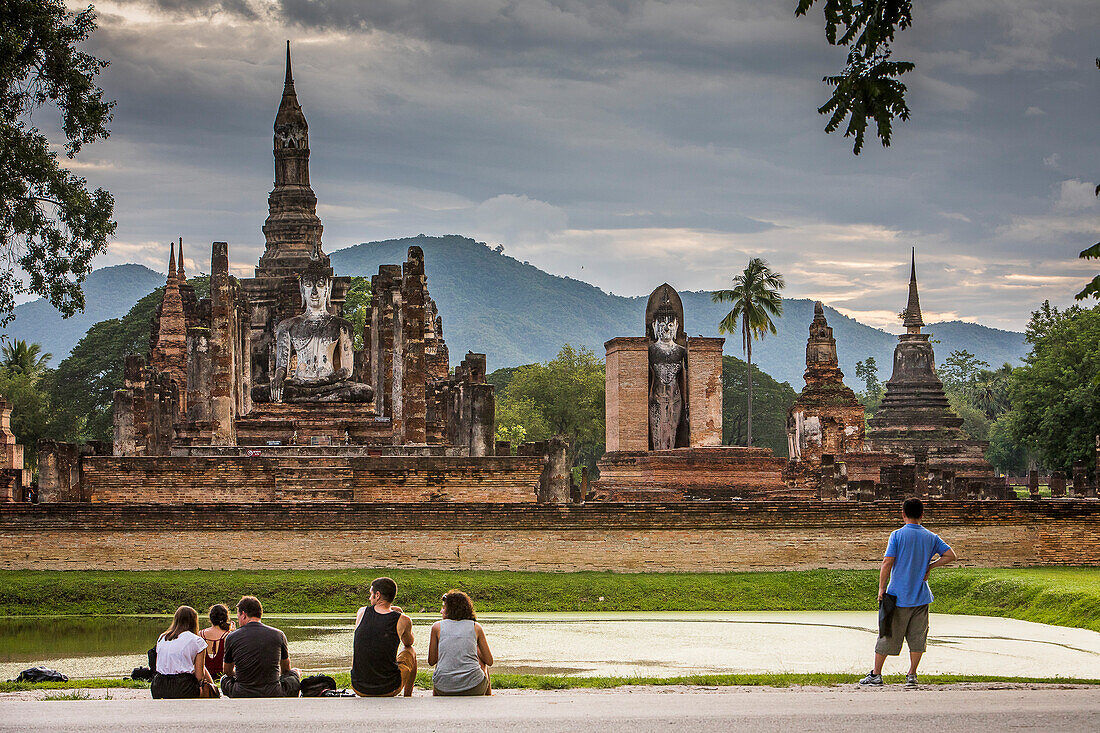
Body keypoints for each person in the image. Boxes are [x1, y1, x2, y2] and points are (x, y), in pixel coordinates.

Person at [860, 497, 957, 689]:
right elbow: (951, 555)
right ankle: (912, 675)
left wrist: (881, 588)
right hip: (921, 596)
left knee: (887, 634)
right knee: (917, 637)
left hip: (897, 595)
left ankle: (876, 674)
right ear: (922, 515)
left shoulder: (897, 535)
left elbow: (887, 562)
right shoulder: (931, 537)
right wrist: (931, 565)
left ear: (903, 514)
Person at [220, 595, 301, 697]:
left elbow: (227, 671)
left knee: (224, 679)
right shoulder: (279, 634)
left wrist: (239, 673)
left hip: (241, 692)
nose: (238, 620)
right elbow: (286, 669)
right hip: (274, 692)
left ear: (244, 615)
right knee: (295, 673)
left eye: (238, 616)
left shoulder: (231, 637)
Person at [350, 577, 417, 697]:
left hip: (359, 687)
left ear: (378, 595)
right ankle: (408, 695)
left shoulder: (361, 612)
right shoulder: (403, 620)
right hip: (389, 689)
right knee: (411, 651)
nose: (370, 597)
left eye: (371, 594)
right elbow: (409, 642)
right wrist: (400, 614)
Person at [428, 590, 493, 696]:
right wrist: (474, 649)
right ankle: (487, 697)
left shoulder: (437, 627)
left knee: (440, 662)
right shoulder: (475, 627)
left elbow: (431, 661)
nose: (441, 611)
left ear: (450, 610)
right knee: (481, 662)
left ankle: (437, 697)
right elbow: (489, 661)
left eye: (443, 607)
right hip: (475, 688)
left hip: (443, 689)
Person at [151, 605, 216, 699]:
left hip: (158, 685)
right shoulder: (197, 641)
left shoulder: (162, 637)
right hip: (182, 686)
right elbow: (199, 676)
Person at [198, 603, 235, 680]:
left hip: (205, 677)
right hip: (222, 677)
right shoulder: (228, 636)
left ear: (211, 618)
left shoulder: (200, 634)